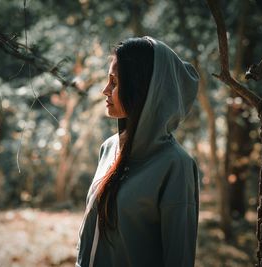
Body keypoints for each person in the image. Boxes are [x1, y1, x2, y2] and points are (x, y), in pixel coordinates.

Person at [76, 36, 200, 267]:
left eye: (114, 82)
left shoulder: (175, 165)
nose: (105, 90)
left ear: (141, 89)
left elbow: (178, 258)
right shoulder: (110, 147)